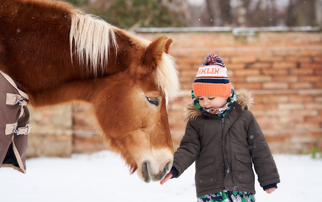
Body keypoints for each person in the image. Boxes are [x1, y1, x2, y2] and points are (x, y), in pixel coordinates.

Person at [160, 53, 280, 202]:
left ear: (226, 94)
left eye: (211, 98)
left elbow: (259, 148)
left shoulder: (244, 117)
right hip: (210, 187)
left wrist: (268, 178)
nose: (205, 103)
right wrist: (175, 166)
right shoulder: (197, 120)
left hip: (241, 186)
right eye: (200, 98)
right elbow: (189, 147)